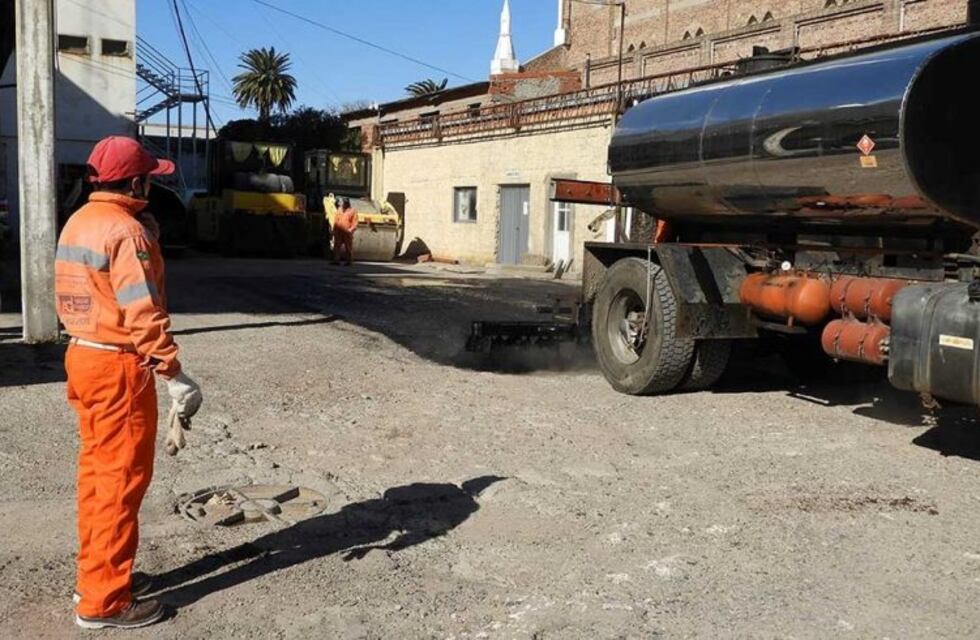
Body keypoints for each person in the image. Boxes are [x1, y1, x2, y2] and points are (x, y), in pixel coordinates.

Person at [55, 136, 203, 630]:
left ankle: (97, 576)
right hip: (120, 368)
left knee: (98, 479)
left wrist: (149, 238)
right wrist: (173, 372)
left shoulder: (81, 221)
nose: (152, 185)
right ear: (136, 182)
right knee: (121, 484)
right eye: (149, 179)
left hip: (83, 357)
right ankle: (104, 603)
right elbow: (142, 312)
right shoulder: (127, 233)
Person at [332, 197, 359, 266]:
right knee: (337, 246)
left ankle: (349, 261)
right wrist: (334, 230)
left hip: (347, 232)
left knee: (348, 247)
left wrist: (351, 229)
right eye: (344, 202)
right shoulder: (339, 210)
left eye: (346, 203)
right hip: (339, 232)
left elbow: (355, 222)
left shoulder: (352, 211)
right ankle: (336, 260)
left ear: (348, 203)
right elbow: (336, 220)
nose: (345, 204)